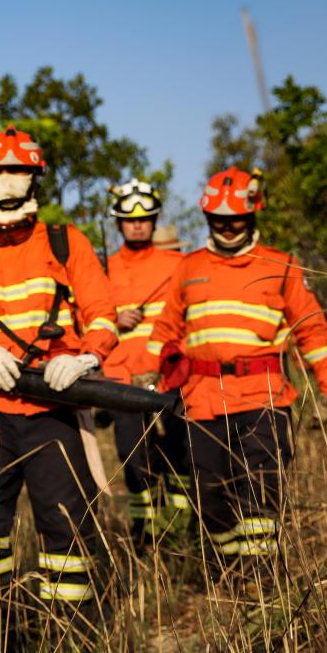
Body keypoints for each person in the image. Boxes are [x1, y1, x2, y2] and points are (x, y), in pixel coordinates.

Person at [0, 127, 119, 635]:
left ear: (35, 177)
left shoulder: (65, 241)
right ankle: (5, 616)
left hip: (55, 401)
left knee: (65, 524)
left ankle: (64, 639)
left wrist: (85, 357)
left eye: (18, 170)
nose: (8, 181)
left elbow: (103, 315)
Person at [147, 166, 327, 578]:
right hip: (201, 399)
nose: (227, 225)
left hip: (263, 397)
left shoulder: (281, 265)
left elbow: (312, 330)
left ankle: (260, 582)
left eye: (235, 216)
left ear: (252, 215)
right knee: (209, 495)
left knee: (260, 491)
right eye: (218, 218)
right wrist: (151, 376)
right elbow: (166, 330)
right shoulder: (188, 267)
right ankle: (229, 568)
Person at [100, 181, 191, 549]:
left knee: (181, 454)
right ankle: (147, 536)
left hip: (171, 377)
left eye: (145, 219)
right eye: (129, 220)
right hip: (122, 380)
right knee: (133, 459)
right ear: (119, 224)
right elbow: (86, 318)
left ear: (154, 221)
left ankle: (183, 529)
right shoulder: (102, 270)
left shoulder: (178, 264)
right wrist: (113, 318)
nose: (137, 225)